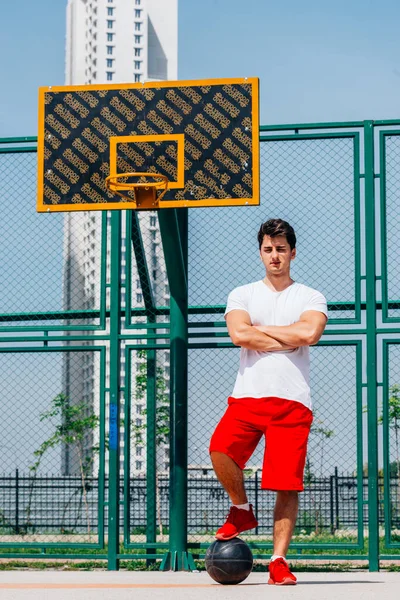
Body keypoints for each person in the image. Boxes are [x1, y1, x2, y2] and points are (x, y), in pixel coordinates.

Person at [209, 218, 328, 586]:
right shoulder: (242, 294)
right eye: (267, 249)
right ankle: (241, 510)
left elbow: (310, 332)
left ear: (292, 252)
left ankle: (278, 561)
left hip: (292, 402)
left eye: (280, 249)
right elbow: (237, 333)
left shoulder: (310, 296)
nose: (274, 256)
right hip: (247, 397)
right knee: (219, 449)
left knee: (285, 484)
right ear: (260, 252)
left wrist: (258, 332)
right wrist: (285, 338)